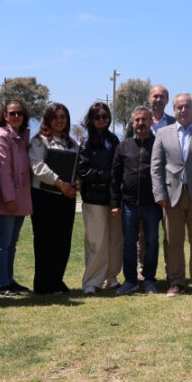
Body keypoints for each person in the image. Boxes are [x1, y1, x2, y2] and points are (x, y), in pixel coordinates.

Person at [151, 93, 192, 297]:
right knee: (173, 241)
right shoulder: (163, 133)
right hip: (171, 197)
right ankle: (177, 282)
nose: (183, 110)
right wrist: (159, 193)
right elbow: (156, 167)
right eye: (179, 107)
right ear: (174, 109)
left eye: (187, 106)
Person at [29, 102, 79, 295]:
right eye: (55, 117)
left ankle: (57, 280)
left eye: (63, 117)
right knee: (45, 241)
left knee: (63, 241)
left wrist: (76, 182)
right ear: (48, 120)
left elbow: (77, 166)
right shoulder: (39, 141)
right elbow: (38, 166)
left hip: (66, 198)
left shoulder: (72, 143)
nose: (59, 121)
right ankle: (43, 285)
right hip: (44, 197)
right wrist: (60, 184)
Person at [111, 107, 162, 295]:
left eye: (144, 120)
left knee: (151, 243)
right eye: (137, 120)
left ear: (151, 122)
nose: (141, 123)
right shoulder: (123, 146)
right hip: (129, 205)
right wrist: (115, 204)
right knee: (129, 244)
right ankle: (130, 280)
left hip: (152, 205)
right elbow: (115, 178)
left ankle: (149, 279)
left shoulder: (158, 145)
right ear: (132, 123)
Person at [78, 102, 122, 296]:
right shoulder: (85, 142)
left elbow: (119, 167)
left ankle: (111, 278)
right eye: (98, 117)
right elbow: (83, 170)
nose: (102, 120)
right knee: (97, 241)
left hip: (113, 197)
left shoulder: (114, 141)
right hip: (93, 197)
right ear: (91, 119)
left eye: (105, 116)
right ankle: (91, 282)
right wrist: (105, 174)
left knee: (115, 240)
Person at [0, 100, 33, 297]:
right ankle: (0, 283)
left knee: (11, 242)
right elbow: (3, 170)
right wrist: (9, 198)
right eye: (12, 113)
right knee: (2, 241)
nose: (16, 117)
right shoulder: (2, 136)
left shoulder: (22, 137)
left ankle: (9, 279)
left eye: (19, 113)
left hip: (21, 198)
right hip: (8, 199)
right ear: (5, 115)